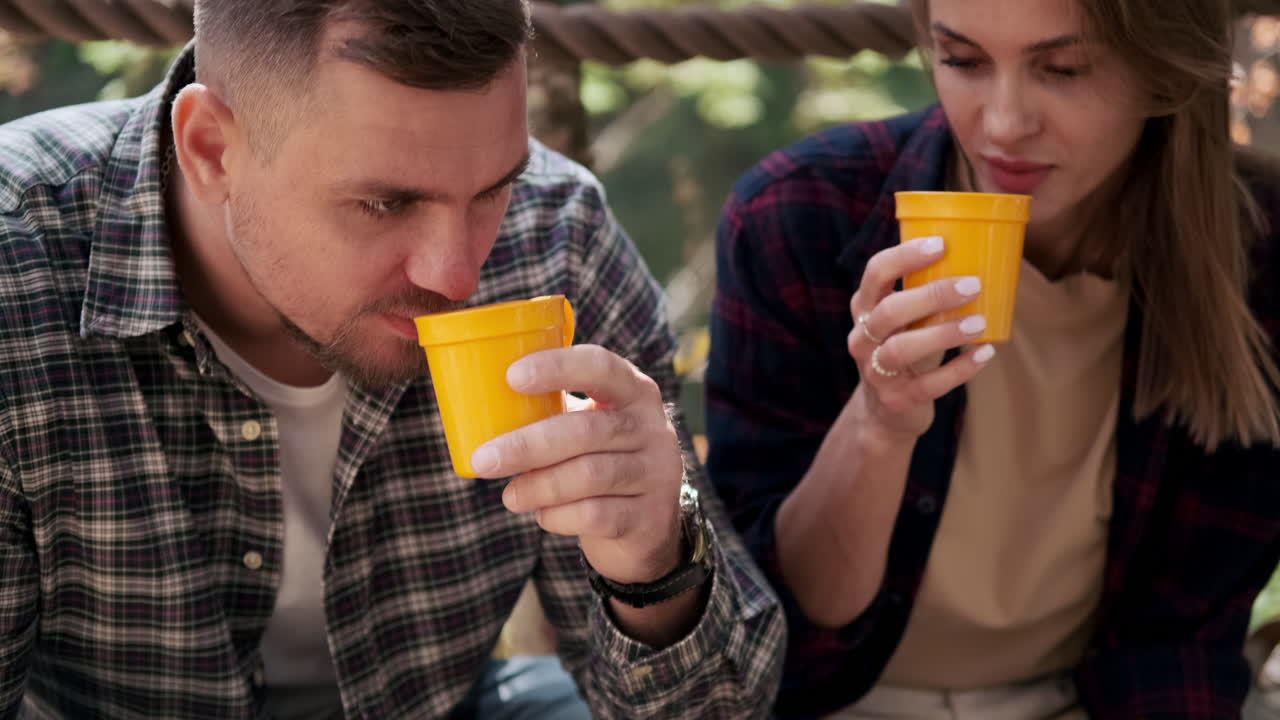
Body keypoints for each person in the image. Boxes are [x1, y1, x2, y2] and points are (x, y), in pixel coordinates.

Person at [0, 1, 786, 718]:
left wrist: (655, 565)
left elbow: (726, 707)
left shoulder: (557, 239)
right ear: (211, 150)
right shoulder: (16, 261)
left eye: (492, 190)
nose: (457, 275)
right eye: (387, 203)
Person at [707, 0, 1280, 717]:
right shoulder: (797, 214)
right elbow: (778, 626)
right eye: (963, 60)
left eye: (1064, 69)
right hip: (840, 698)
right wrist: (879, 424)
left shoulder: (1260, 254)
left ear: (1163, 67)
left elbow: (1178, 643)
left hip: (1095, 698)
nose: (1003, 124)